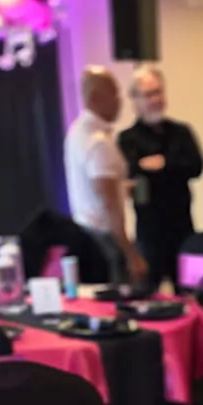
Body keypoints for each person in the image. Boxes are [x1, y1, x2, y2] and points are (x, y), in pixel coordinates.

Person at [118, 66, 203, 294]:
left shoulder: (181, 132)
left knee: (190, 296)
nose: (154, 100)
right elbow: (131, 173)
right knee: (146, 298)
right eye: (147, 95)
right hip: (149, 233)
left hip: (183, 229)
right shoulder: (128, 140)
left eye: (157, 92)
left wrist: (164, 165)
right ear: (135, 100)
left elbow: (196, 166)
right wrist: (168, 168)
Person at [63, 66, 146, 285]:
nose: (120, 101)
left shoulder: (76, 132)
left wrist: (122, 187)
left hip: (87, 232)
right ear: (96, 97)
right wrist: (131, 253)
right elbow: (108, 202)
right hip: (108, 240)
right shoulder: (99, 142)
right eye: (114, 94)